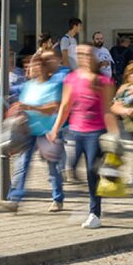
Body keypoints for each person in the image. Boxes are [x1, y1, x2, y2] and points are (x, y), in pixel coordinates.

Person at [48, 45, 119, 229]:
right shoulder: (72, 78)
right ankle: (92, 196)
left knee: (91, 172)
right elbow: (65, 106)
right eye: (80, 54)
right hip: (76, 131)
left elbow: (107, 110)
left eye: (87, 54)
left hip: (96, 132)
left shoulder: (103, 81)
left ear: (93, 57)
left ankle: (94, 213)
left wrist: (115, 135)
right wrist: (55, 128)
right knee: (71, 169)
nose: (84, 57)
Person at [0, 53, 67, 212]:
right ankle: (14, 199)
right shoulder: (28, 85)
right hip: (29, 131)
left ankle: (58, 198)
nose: (33, 68)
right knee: (22, 165)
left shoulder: (54, 85)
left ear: (44, 67)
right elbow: (22, 104)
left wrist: (31, 107)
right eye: (32, 65)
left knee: (53, 168)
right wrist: (19, 111)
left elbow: (53, 108)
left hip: (48, 132)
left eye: (36, 65)